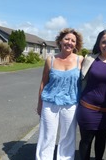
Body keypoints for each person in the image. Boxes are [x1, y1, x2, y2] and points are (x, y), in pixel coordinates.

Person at [76, 29, 106, 160]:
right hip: (87, 108)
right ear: (98, 44)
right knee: (86, 140)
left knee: (101, 140)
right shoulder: (90, 59)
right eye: (103, 42)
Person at [36, 28, 83, 160]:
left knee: (68, 137)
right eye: (67, 39)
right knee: (47, 135)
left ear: (76, 44)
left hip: (71, 104)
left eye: (73, 40)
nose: (69, 42)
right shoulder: (50, 60)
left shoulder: (81, 60)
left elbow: (100, 61)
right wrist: (39, 105)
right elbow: (43, 83)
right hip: (50, 103)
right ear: (60, 41)